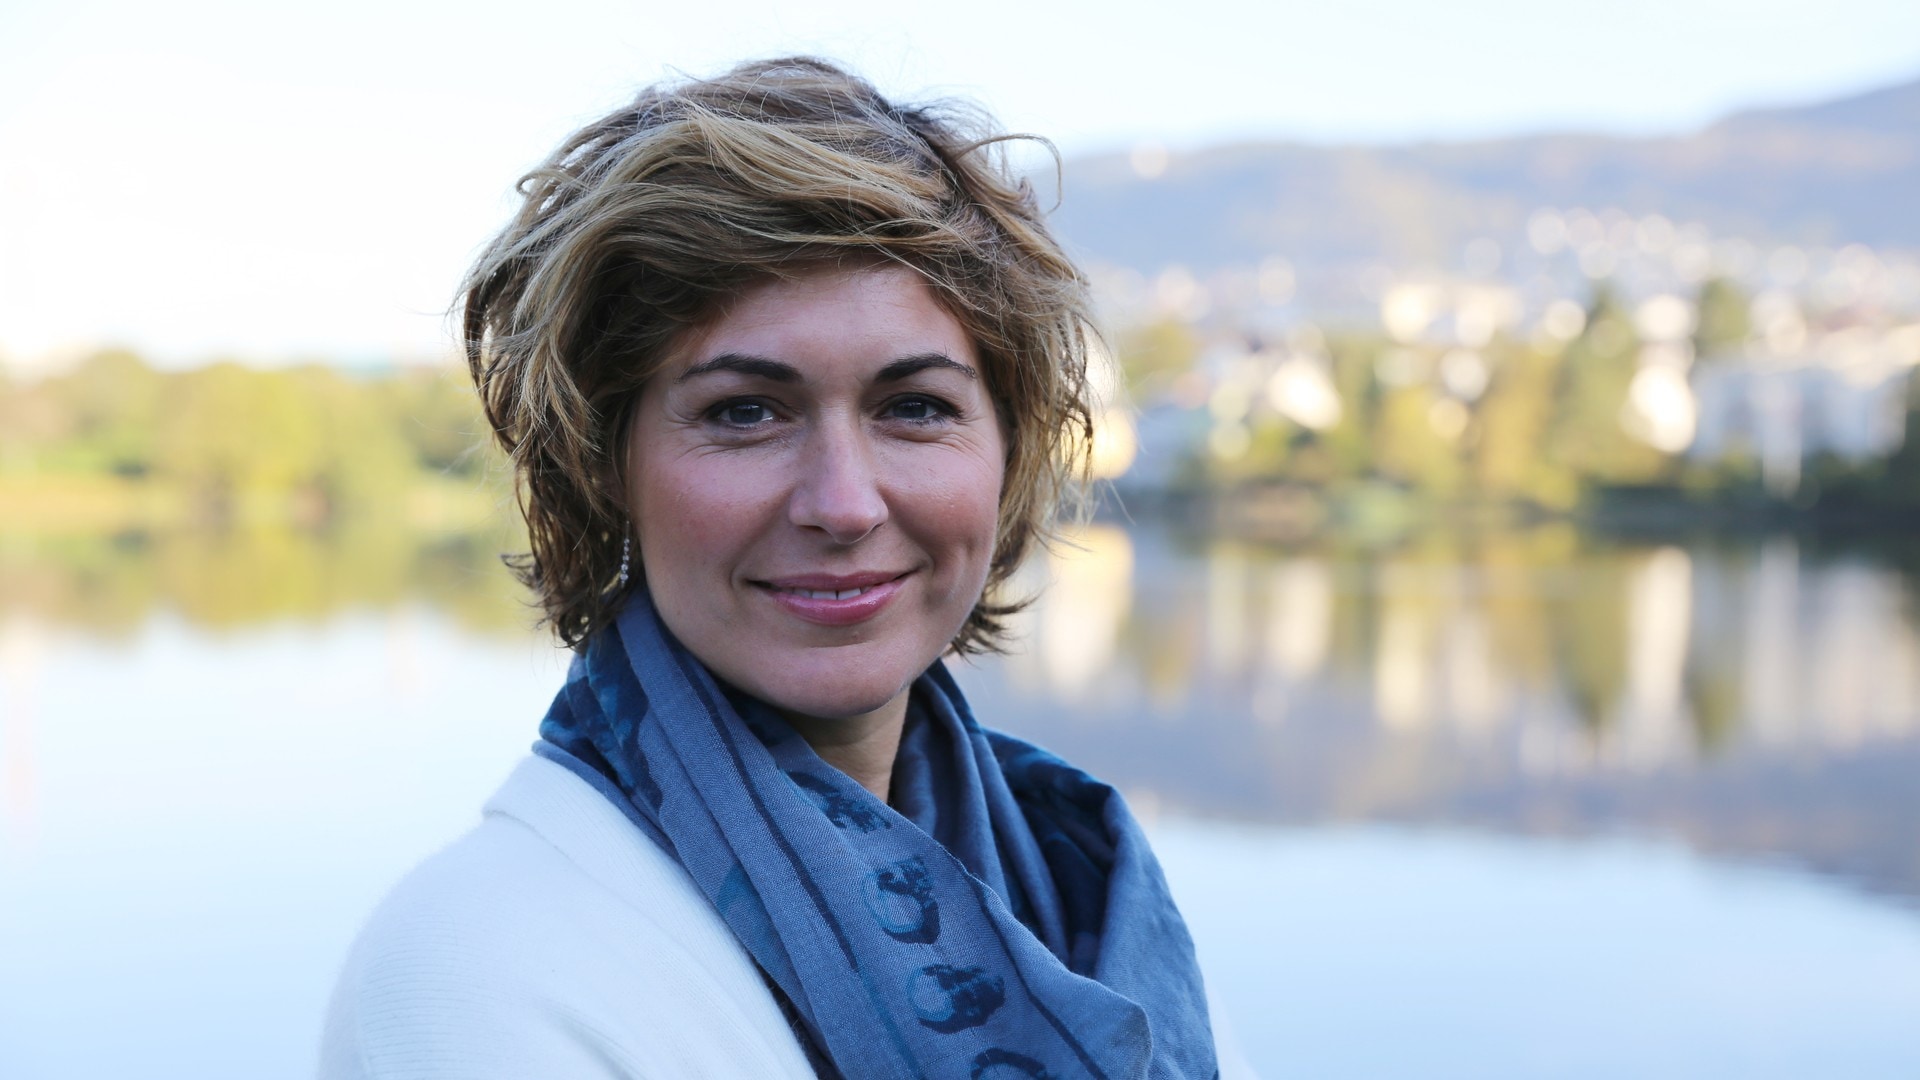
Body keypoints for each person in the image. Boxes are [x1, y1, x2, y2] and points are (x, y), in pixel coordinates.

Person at [320, 57, 1223, 1079]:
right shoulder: (480, 974)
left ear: (1008, 453)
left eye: (915, 407)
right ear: (604, 464)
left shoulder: (1091, 905)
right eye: (745, 412)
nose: (843, 503)